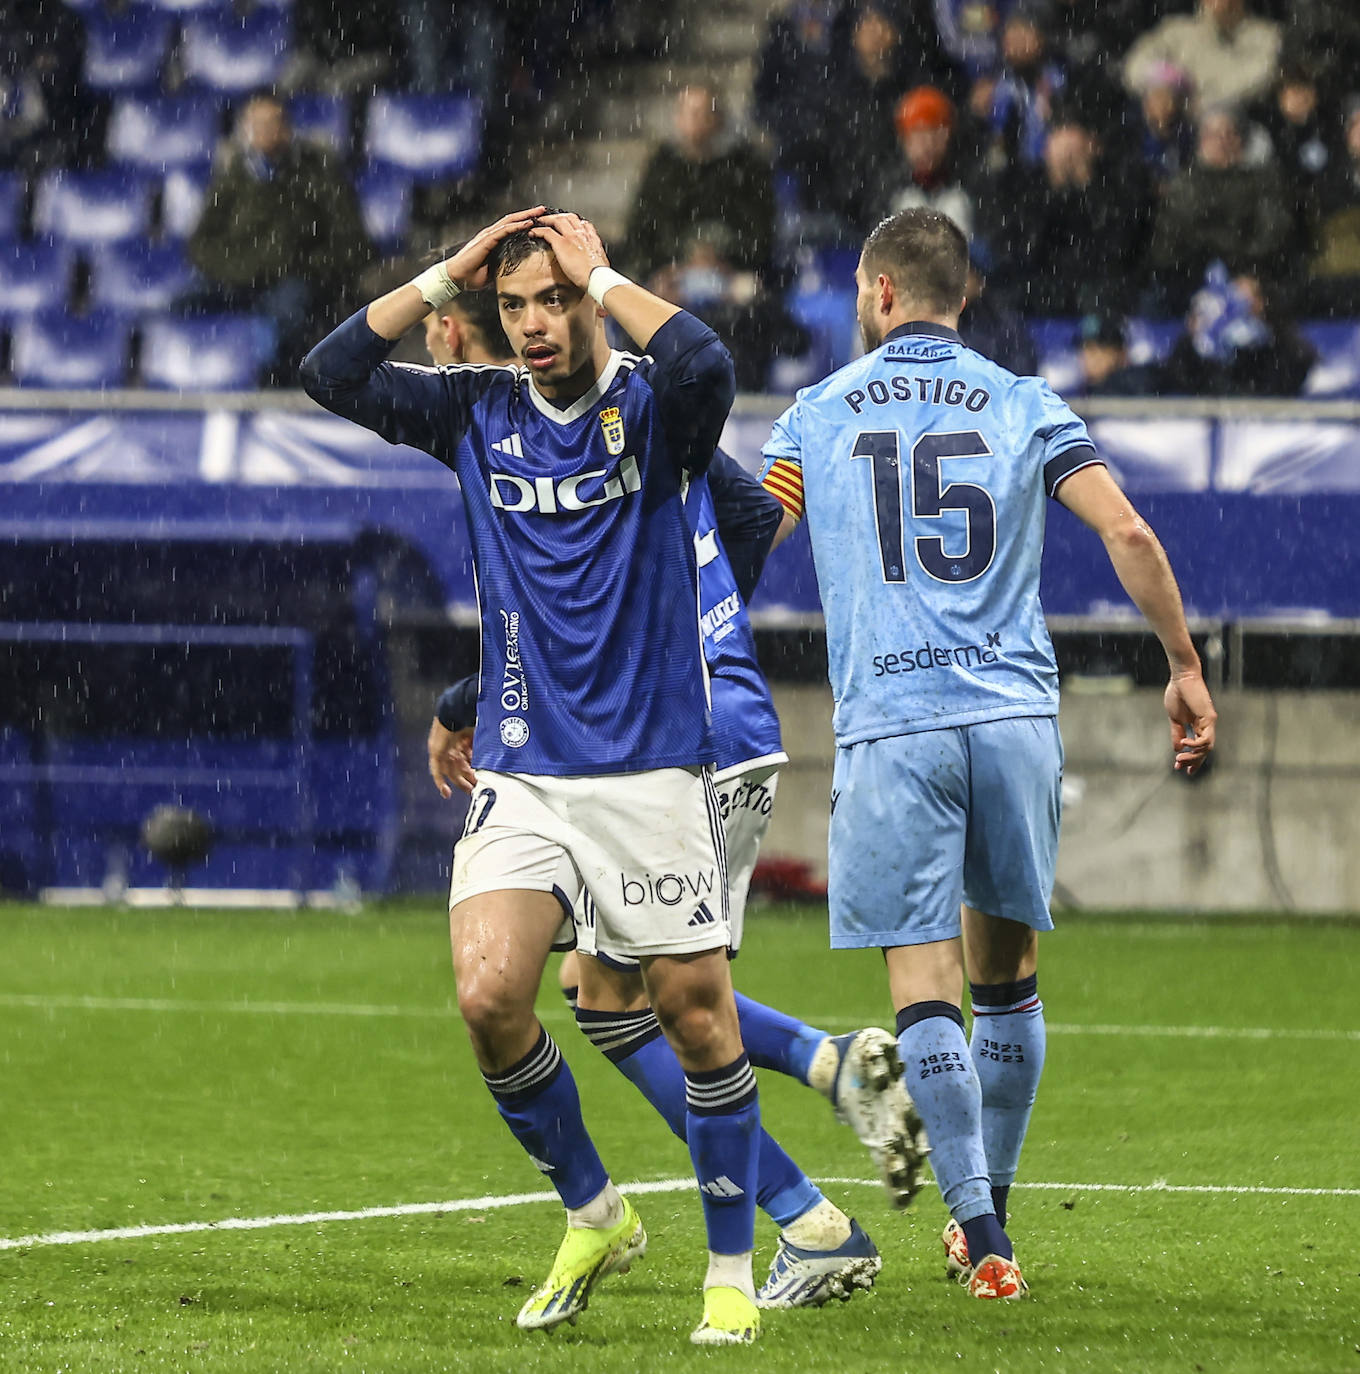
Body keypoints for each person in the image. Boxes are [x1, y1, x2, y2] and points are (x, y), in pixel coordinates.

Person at [301, 207, 763, 1344]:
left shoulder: (654, 412)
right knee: (487, 996)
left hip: (651, 767)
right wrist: (445, 274)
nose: (535, 324)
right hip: (526, 769)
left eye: (552, 301)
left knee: (697, 1019)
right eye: (513, 307)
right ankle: (594, 1209)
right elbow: (329, 371)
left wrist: (602, 274)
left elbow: (710, 360)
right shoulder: (475, 409)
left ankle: (733, 1269)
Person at [758, 208, 1217, 1300]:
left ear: (875, 294)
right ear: (963, 300)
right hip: (1012, 720)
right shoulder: (1023, 404)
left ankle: (982, 1235)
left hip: (894, 722)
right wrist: (1183, 664)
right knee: (1005, 980)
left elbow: (744, 539)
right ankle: (993, 1212)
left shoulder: (817, 412)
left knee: (922, 982)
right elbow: (1131, 536)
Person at [428, 442, 928, 1309]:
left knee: (647, 1003)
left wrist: (462, 701)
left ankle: (806, 1221)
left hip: (664, 745)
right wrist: (709, 609)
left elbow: (574, 622)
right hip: (723, 717)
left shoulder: (540, 432)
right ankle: (825, 1085)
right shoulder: (661, 416)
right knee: (607, 991)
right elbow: (753, 516)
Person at [186, 92, 371, 382]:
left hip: (297, 280)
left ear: (287, 127)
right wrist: (241, 269)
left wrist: (298, 266)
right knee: (181, 305)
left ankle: (274, 386)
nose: (264, 132)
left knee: (288, 312)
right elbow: (201, 244)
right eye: (255, 124)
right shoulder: (233, 175)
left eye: (272, 123)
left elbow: (353, 244)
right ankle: (191, 383)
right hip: (237, 278)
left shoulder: (319, 171)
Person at [622, 82, 776, 285]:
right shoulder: (662, 169)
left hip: (733, 274)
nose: (697, 121)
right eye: (690, 113)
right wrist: (669, 265)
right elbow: (641, 230)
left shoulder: (745, 167)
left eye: (704, 113)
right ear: (678, 118)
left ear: (719, 119)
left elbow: (760, 230)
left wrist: (725, 259)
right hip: (670, 273)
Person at [1123, 0, 1281, 116]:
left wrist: (1198, 101)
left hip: (1232, 127)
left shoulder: (1267, 37)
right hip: (1173, 127)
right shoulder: (1177, 30)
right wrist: (1163, 86)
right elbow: (1135, 65)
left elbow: (1260, 78)